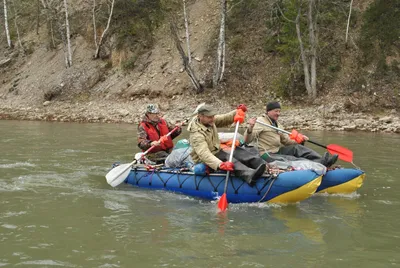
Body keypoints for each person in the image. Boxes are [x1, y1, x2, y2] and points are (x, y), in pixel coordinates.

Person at [188, 103, 266, 186]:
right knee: (231, 160)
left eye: (213, 116)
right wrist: (220, 164)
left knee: (240, 152)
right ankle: (249, 176)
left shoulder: (209, 121)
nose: (212, 119)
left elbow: (224, 118)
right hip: (205, 160)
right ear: (200, 116)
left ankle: (263, 166)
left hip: (217, 151)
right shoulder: (196, 134)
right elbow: (204, 154)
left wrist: (237, 111)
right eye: (210, 117)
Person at [244, 101, 338, 168]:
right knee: (291, 158)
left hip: (277, 151)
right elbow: (247, 140)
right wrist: (250, 128)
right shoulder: (260, 121)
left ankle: (322, 161)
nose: (278, 113)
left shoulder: (278, 125)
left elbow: (286, 141)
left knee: (298, 148)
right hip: (266, 154)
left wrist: (299, 140)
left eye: (279, 111)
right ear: (268, 111)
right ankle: (317, 165)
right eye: (276, 111)